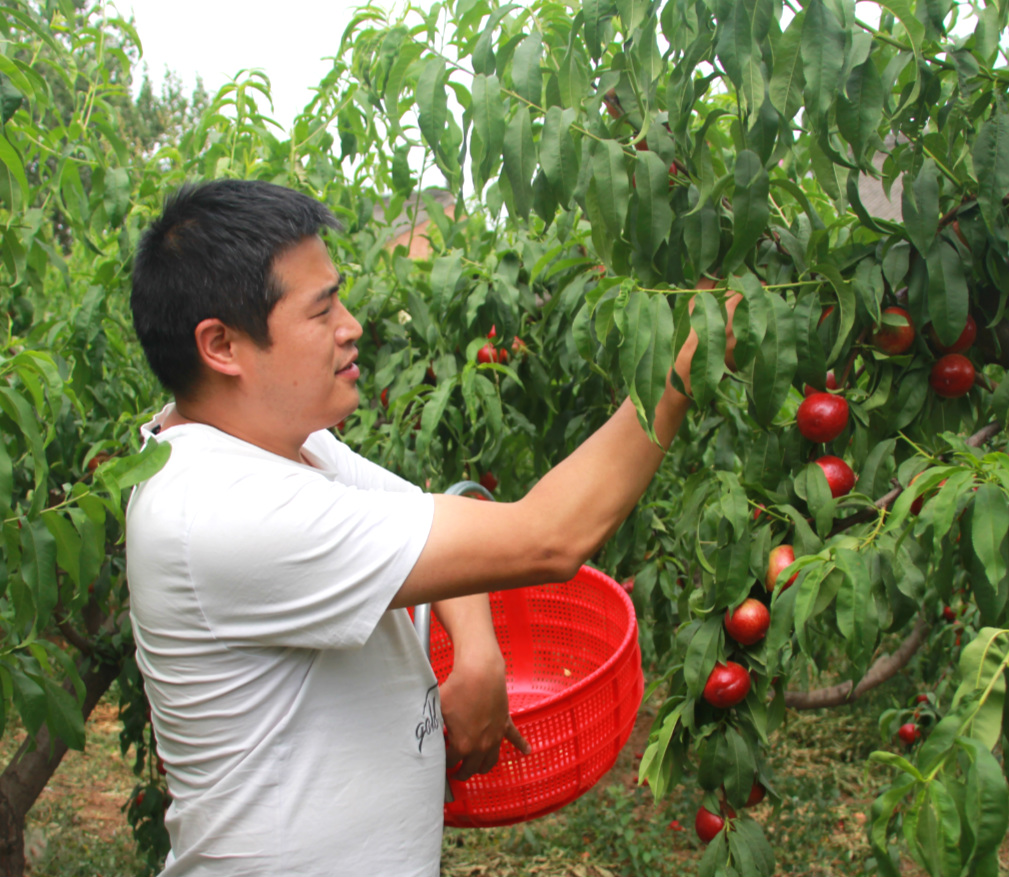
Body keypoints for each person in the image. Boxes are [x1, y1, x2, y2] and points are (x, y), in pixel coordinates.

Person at [126, 179, 735, 877]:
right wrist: (687, 362)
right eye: (321, 310)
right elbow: (549, 536)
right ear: (222, 345)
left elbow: (432, 515)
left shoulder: (284, 442)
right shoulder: (220, 510)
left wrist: (476, 653)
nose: (351, 324)